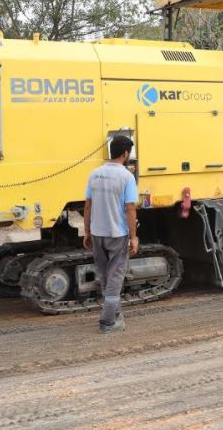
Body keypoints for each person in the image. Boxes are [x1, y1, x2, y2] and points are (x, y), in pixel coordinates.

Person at [83, 135, 139, 334]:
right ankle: (107, 322)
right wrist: (133, 236)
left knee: (105, 275)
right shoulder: (126, 177)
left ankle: (115, 314)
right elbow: (130, 208)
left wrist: (87, 231)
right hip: (117, 234)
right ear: (125, 153)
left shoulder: (95, 174)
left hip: (97, 233)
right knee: (116, 276)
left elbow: (88, 205)